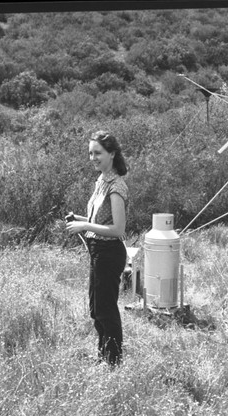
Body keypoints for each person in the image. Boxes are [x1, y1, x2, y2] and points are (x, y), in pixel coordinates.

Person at [66, 131, 129, 367]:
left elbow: (118, 229)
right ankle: (103, 357)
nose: (93, 157)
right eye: (90, 153)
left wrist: (84, 225)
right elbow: (100, 221)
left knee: (106, 310)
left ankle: (113, 362)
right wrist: (80, 219)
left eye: (98, 153)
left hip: (109, 252)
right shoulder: (101, 180)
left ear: (112, 154)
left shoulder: (116, 186)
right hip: (98, 250)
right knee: (96, 309)